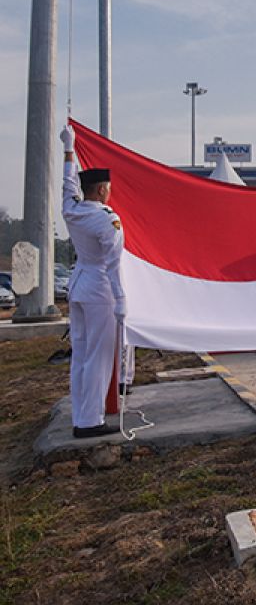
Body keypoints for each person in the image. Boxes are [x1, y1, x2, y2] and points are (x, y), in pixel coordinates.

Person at [59, 125, 125, 438]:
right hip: (99, 288)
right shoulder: (106, 218)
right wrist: (121, 298)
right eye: (108, 188)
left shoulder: (72, 210)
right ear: (101, 191)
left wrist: (69, 150)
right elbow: (113, 263)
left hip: (78, 284)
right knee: (99, 357)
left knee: (82, 356)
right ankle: (91, 420)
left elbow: (67, 185)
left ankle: (81, 416)